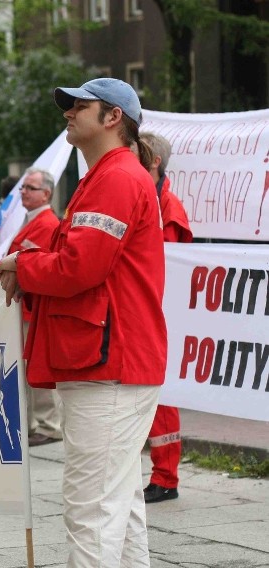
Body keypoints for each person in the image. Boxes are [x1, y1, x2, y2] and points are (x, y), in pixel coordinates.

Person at [0, 78, 165, 566]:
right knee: (119, 505)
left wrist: (21, 267)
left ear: (113, 117)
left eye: (79, 106)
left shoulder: (114, 178)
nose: (68, 112)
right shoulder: (109, 175)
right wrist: (25, 263)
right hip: (113, 359)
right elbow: (79, 258)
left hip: (108, 363)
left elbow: (79, 267)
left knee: (90, 511)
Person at [0, 168, 63, 447]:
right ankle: (35, 422)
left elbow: (38, 264)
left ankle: (47, 424)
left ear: (46, 193)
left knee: (36, 366)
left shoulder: (46, 223)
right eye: (22, 188)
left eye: (30, 188)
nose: (23, 193)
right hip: (23, 304)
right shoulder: (32, 220)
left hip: (32, 306)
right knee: (26, 368)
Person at [138, 131, 192, 504]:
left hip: (161, 313)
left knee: (163, 396)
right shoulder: (151, 199)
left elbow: (166, 263)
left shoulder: (169, 208)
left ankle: (166, 477)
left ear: (154, 161)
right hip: (145, 311)